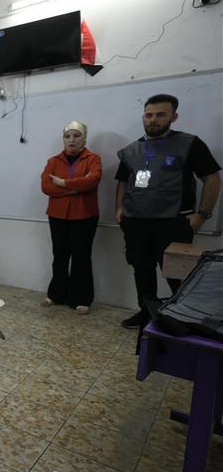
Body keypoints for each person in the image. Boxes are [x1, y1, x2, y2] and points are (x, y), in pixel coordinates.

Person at [115, 94, 221, 329]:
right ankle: (146, 313)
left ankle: (181, 317)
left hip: (174, 221)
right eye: (148, 115)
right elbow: (122, 181)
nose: (153, 120)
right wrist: (119, 208)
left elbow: (212, 178)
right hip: (136, 221)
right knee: (142, 269)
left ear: (173, 117)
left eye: (160, 115)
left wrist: (203, 214)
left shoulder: (189, 144)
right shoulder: (131, 150)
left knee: (177, 273)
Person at [39, 121, 102, 315]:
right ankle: (56, 294)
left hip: (84, 215)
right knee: (60, 255)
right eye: (67, 136)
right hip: (57, 215)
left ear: (84, 138)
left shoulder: (93, 158)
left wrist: (62, 182)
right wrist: (74, 188)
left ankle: (81, 299)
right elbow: (46, 187)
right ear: (63, 139)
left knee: (81, 256)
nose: (71, 140)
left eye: (76, 136)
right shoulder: (53, 161)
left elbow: (92, 181)